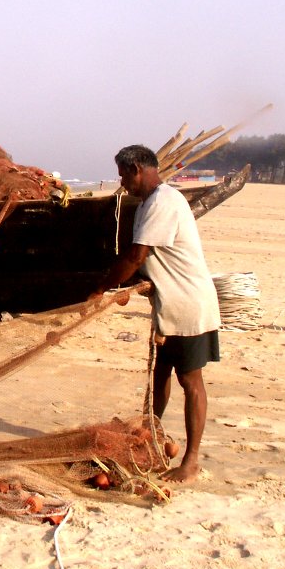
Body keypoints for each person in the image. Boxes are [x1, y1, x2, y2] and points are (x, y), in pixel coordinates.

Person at [92, 144, 221, 484]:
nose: (122, 184)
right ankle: (150, 439)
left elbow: (136, 255)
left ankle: (190, 462)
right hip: (171, 304)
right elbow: (152, 260)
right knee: (161, 372)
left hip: (188, 305)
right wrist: (134, 283)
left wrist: (101, 288)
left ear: (136, 169)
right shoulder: (156, 201)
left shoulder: (162, 202)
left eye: (123, 175)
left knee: (190, 381)